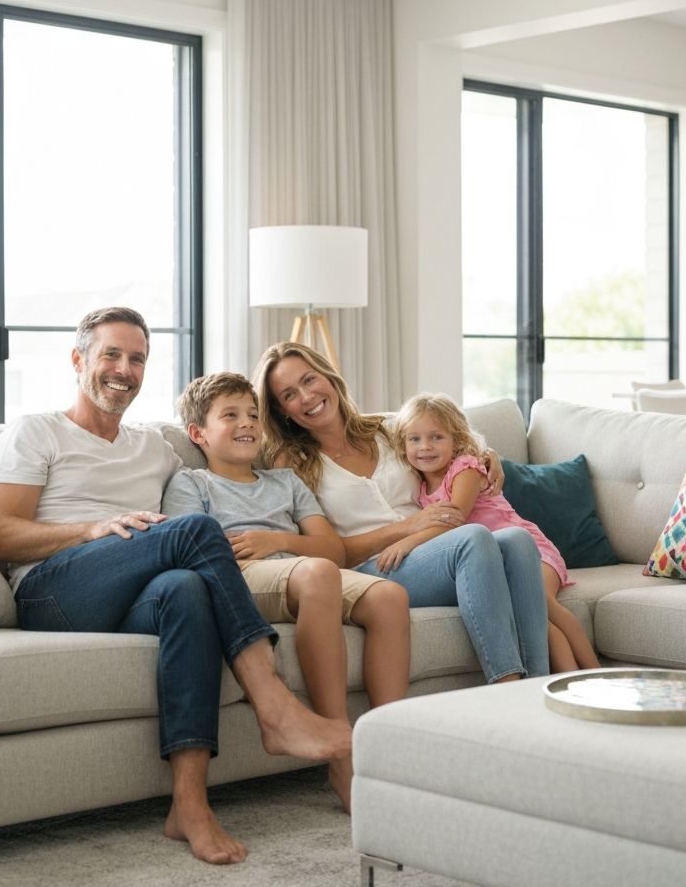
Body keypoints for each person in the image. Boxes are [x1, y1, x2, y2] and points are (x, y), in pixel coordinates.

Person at [0, 308, 351, 867]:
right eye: (110, 354)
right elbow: (0, 536)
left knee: (185, 588)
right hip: (53, 592)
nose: (123, 369)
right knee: (197, 532)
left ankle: (189, 804)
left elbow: (238, 457)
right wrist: (91, 529)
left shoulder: (156, 447)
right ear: (79, 360)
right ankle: (273, 704)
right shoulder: (37, 431)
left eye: (137, 359)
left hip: (134, 593)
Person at [162, 372, 411, 812]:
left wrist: (278, 540)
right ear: (197, 433)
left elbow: (332, 549)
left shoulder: (285, 482)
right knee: (316, 574)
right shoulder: (192, 484)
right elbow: (188, 555)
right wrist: (270, 554)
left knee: (389, 596)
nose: (247, 424)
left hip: (303, 569)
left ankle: (391, 751)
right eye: (231, 416)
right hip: (241, 579)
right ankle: (340, 750)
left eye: (253, 415)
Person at [253, 341, 550, 684]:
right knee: (473, 537)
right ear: (282, 411)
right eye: (289, 395)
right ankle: (505, 686)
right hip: (375, 568)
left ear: (329, 378)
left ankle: (537, 684)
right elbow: (330, 551)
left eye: (309, 380)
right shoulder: (293, 463)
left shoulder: (384, 429)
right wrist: (407, 528)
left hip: (434, 549)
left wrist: (487, 454)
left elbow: (449, 438)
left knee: (516, 539)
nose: (306, 397)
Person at [391, 392, 600, 673]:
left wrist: (408, 542)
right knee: (538, 620)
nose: (425, 447)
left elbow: (455, 518)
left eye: (436, 437)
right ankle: (569, 682)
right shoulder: (419, 487)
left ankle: (596, 673)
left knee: (544, 608)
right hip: (495, 562)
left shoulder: (465, 468)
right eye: (414, 439)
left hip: (529, 551)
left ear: (456, 440)